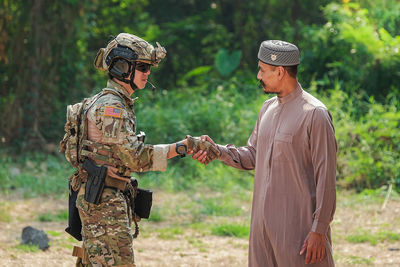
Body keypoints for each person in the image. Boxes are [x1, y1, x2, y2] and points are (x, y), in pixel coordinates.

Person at [61, 33, 218, 266]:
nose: (148, 73)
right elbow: (136, 158)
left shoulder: (106, 102)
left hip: (103, 199)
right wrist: (183, 147)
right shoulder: (111, 107)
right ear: (122, 67)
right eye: (143, 67)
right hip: (104, 203)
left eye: (148, 68)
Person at [193, 40, 337, 266]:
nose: (258, 76)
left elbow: (326, 179)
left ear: (280, 71)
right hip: (261, 231)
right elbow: (252, 155)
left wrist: (319, 230)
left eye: (262, 70)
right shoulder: (267, 108)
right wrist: (217, 151)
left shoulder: (315, 114)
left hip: (298, 232)